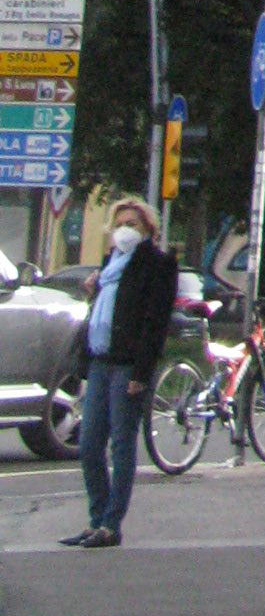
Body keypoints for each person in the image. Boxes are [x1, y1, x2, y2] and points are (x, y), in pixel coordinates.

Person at [61, 196, 176, 549]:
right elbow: (105, 310)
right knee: (89, 444)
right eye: (120, 224)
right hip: (100, 359)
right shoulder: (111, 264)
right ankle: (97, 519)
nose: (125, 231)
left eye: (133, 224)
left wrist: (142, 372)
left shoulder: (156, 264)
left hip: (128, 364)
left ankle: (111, 525)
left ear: (148, 231)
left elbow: (154, 323)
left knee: (122, 444)